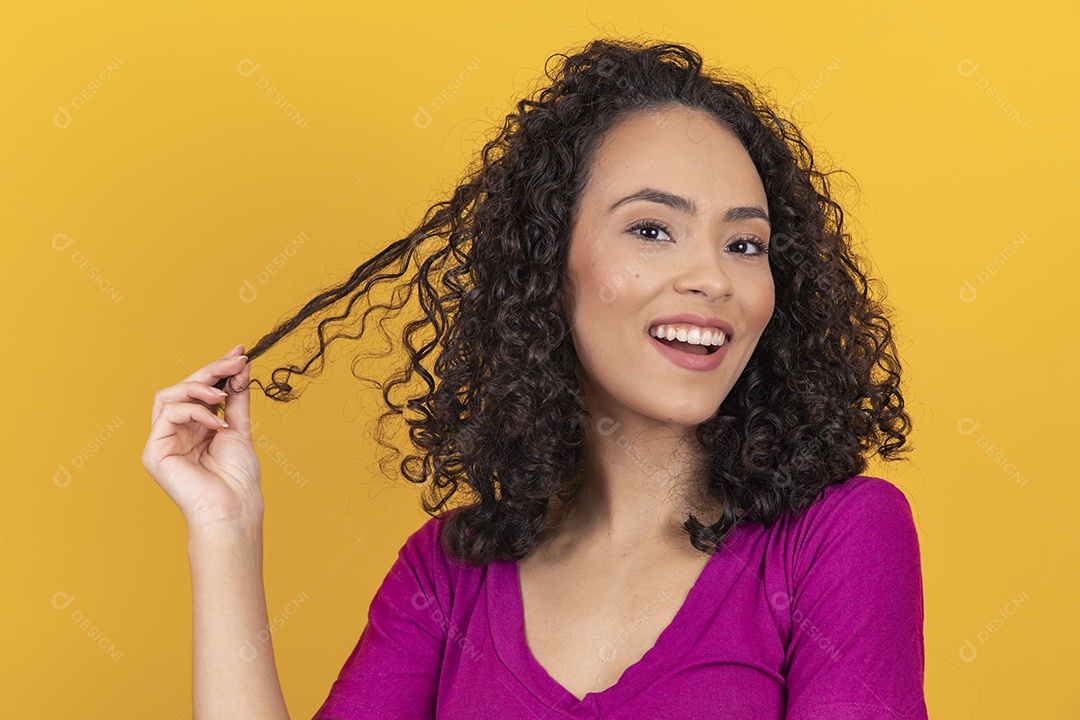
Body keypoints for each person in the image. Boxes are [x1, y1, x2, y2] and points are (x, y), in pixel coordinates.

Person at [142, 38, 926, 719]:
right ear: (547, 267)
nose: (714, 279)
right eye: (652, 229)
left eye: (746, 245)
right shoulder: (451, 570)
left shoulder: (840, 538)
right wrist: (226, 529)